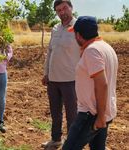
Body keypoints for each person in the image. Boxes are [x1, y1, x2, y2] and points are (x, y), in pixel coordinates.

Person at [62, 16, 118, 150]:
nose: (75, 38)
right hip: (103, 111)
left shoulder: (92, 51)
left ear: (79, 35)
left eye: (75, 34)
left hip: (91, 114)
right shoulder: (106, 47)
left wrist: (100, 118)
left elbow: (102, 84)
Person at [41, 0, 80, 149]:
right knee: (55, 113)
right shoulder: (55, 28)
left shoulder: (79, 27)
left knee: (72, 114)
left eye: (64, 8)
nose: (62, 12)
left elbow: (85, 52)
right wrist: (46, 73)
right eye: (58, 10)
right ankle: (56, 139)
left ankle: (71, 143)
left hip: (71, 80)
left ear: (71, 8)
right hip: (53, 80)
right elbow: (50, 52)